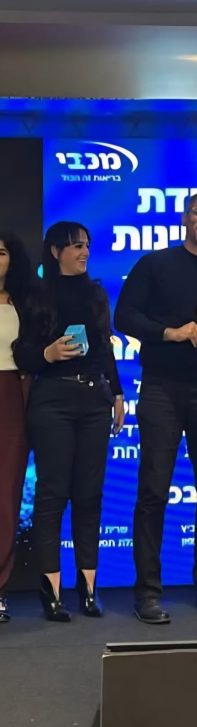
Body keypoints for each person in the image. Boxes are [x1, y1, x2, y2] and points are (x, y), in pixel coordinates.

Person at [114, 192, 197, 623]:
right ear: (185, 218)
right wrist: (169, 333)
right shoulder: (155, 264)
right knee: (153, 491)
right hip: (161, 390)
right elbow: (123, 317)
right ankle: (147, 592)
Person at [13, 221, 125, 622]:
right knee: (52, 494)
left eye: (87, 245)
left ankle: (88, 589)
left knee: (89, 494)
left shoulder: (96, 293)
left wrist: (117, 394)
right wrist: (47, 354)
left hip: (94, 399)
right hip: (52, 400)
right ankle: (51, 591)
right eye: (76, 246)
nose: (84, 252)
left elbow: (105, 347)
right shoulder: (35, 295)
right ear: (56, 250)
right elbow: (21, 352)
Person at [0, 233, 35, 623]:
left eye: (1, 253)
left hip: (11, 397)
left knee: (6, 495)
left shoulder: (23, 303)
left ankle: (0, 588)